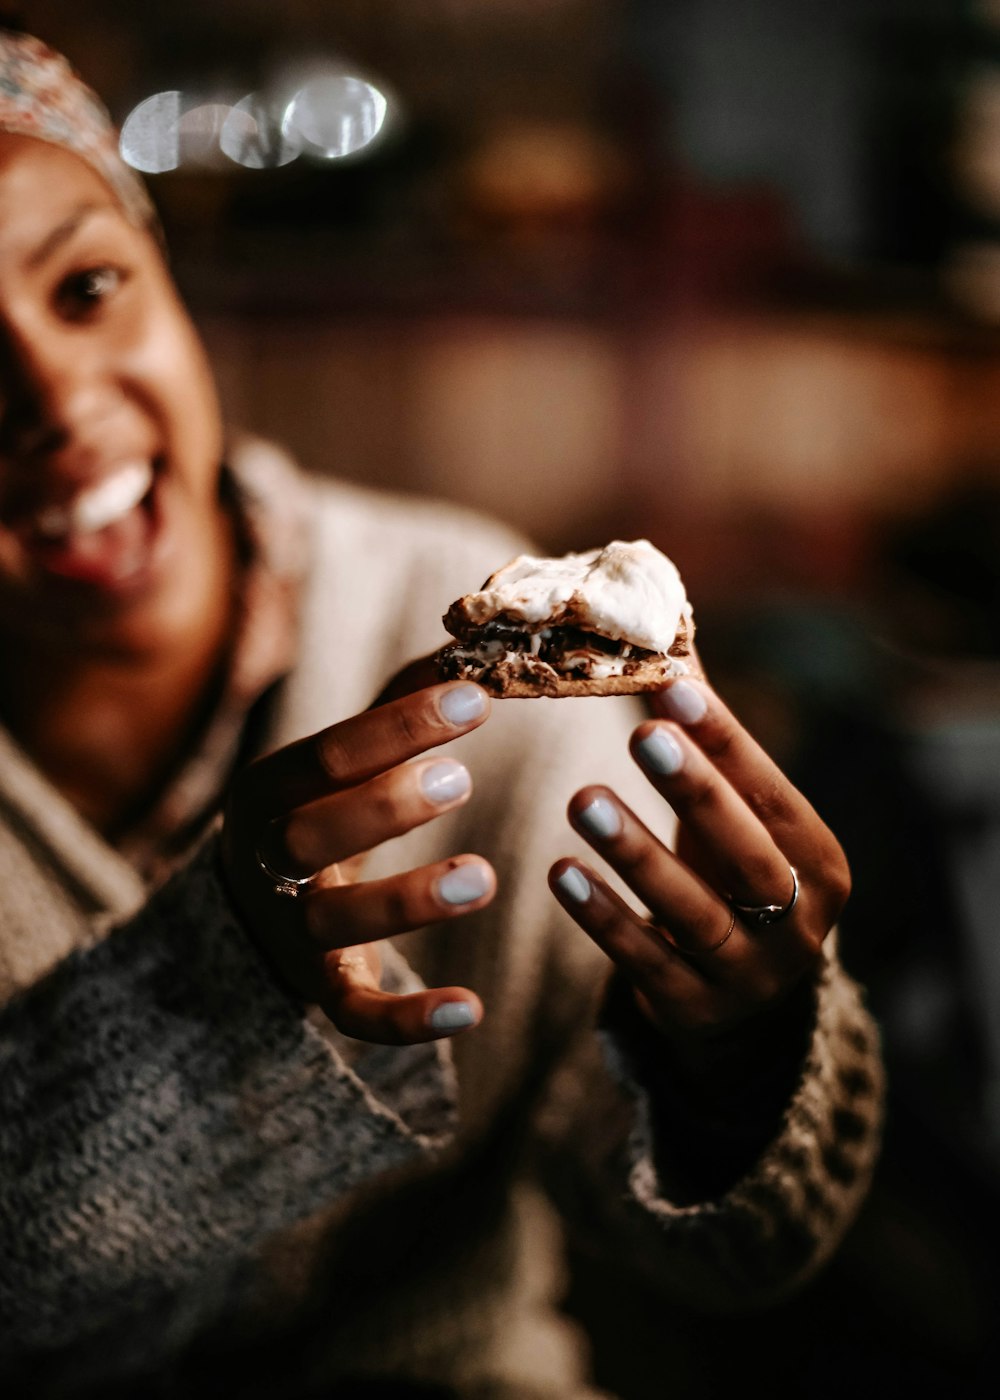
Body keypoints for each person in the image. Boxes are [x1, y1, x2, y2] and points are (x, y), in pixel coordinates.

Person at [0, 27, 883, 1400]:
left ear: (174, 280)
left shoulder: (461, 623)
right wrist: (201, 997)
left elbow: (731, 1263)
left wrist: (733, 1058)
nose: (53, 401)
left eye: (90, 284)